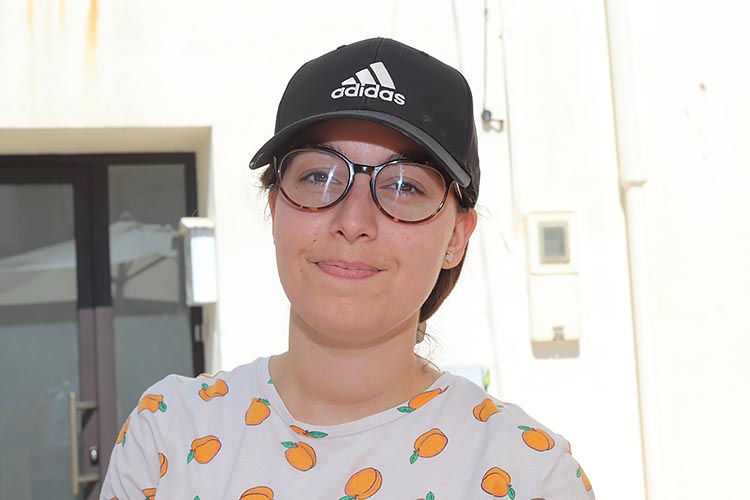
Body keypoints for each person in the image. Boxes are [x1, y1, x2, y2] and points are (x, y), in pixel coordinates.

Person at [101, 37, 595, 500]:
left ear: (457, 238)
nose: (353, 222)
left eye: (404, 186)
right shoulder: (167, 437)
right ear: (274, 210)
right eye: (319, 175)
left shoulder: (530, 474)